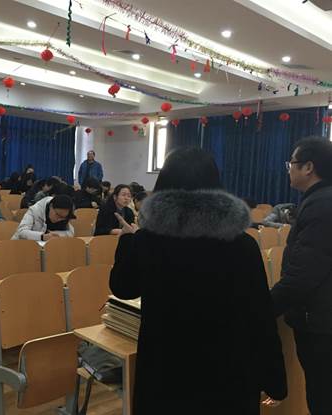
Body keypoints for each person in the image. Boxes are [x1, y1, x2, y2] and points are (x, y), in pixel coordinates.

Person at [109, 147, 287, 414]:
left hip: (165, 372)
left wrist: (127, 240)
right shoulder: (242, 245)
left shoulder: (147, 241)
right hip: (229, 374)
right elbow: (259, 315)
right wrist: (275, 379)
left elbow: (122, 287)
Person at [271, 137, 332, 414]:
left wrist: (263, 307)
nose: (289, 169)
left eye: (291, 163)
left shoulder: (321, 205)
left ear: (308, 167)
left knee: (322, 397)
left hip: (319, 323)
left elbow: (303, 274)